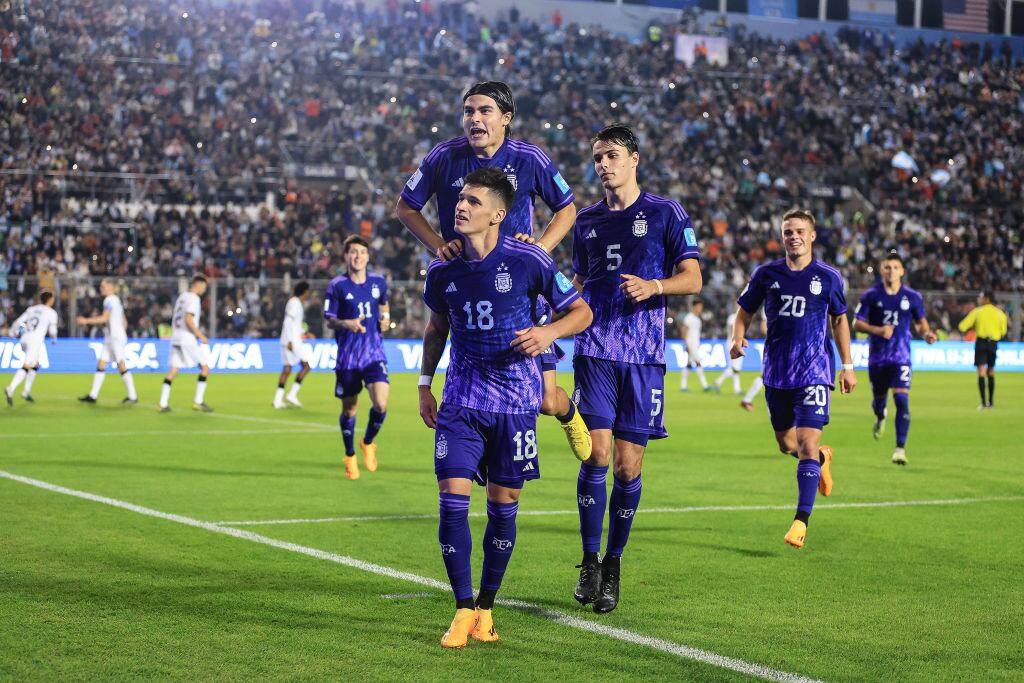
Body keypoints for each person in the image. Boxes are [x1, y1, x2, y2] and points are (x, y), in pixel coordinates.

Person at [418, 167, 592, 647]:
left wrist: (548, 333)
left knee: (503, 508)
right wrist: (424, 384)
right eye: (459, 199)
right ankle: (460, 608)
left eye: (473, 201)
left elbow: (581, 311)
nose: (460, 206)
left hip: (516, 401)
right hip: (462, 399)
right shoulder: (443, 267)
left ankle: (487, 609)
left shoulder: (528, 259)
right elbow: (436, 330)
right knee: (451, 504)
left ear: (497, 213)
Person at [396, 80, 591, 462]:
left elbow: (567, 208)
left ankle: (567, 412)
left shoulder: (530, 158)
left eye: (485, 111)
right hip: (467, 283)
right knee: (475, 396)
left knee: (546, 401)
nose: (475, 119)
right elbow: (405, 207)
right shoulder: (443, 156)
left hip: (518, 289)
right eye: (469, 111)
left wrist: (541, 247)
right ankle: (477, 455)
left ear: (506, 118)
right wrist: (438, 244)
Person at [571, 125, 702, 613]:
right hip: (597, 350)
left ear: (634, 159)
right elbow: (581, 282)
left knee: (629, 466)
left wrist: (655, 287)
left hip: (645, 356)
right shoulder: (586, 222)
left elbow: (693, 278)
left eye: (611, 155)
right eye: (597, 157)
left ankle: (614, 562)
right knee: (596, 456)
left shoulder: (666, 214)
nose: (603, 164)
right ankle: (588, 560)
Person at [731, 209, 856, 550]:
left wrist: (848, 364)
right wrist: (736, 337)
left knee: (805, 443)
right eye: (788, 232)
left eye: (800, 231)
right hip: (776, 373)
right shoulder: (766, 274)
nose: (794, 236)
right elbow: (744, 311)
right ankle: (822, 460)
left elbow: (840, 321)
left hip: (814, 372)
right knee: (788, 445)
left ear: (812, 235)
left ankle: (801, 521)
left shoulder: (828, 277)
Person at [853, 253, 937, 465]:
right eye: (887, 267)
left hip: (901, 357)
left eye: (895, 267)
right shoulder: (871, 295)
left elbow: (921, 323)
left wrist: (927, 334)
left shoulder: (912, 297)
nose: (891, 271)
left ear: (902, 271)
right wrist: (878, 330)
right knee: (879, 401)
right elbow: (857, 323)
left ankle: (900, 448)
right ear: (882, 270)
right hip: (878, 358)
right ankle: (880, 416)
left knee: (902, 400)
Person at [324, 236, 390, 480]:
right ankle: (350, 455)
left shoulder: (378, 282)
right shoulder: (337, 285)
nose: (358, 256)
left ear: (368, 256)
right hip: (348, 358)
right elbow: (329, 318)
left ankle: (368, 442)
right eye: (353, 252)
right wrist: (346, 323)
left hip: (374, 353)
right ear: (346, 256)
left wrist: (386, 319)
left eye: (362, 252)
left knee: (381, 404)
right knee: (350, 409)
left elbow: (384, 305)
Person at [77, 279, 138, 404]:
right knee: (101, 363)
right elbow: (124, 320)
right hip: (112, 336)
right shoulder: (116, 300)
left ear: (111, 287)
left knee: (121, 364)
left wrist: (85, 321)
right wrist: (121, 332)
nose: (101, 288)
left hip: (115, 337)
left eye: (103, 286)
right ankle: (93, 395)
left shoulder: (109, 300)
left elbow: (104, 318)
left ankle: (133, 396)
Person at [159, 275, 213, 413]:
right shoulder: (194, 299)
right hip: (186, 337)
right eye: (204, 287)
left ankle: (162, 403)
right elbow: (188, 318)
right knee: (205, 368)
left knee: (173, 371)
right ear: (198, 284)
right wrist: (200, 335)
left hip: (175, 336)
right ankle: (198, 402)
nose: (205, 290)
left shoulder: (182, 296)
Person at [5, 291, 58, 406]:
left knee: (35, 364)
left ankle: (26, 391)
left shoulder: (32, 309)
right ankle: (11, 388)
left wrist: (13, 332)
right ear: (49, 300)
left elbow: (19, 321)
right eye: (52, 298)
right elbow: (53, 330)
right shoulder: (51, 312)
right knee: (27, 365)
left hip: (24, 338)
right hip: (35, 341)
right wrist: (54, 339)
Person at [957, 291, 1008, 409]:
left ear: (987, 299)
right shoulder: (1000, 313)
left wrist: (974, 327)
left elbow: (962, 326)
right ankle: (991, 402)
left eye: (981, 297)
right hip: (993, 343)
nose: (980, 299)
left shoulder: (977, 312)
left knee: (981, 371)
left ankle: (983, 403)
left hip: (981, 342)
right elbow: (1003, 331)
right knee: (991, 370)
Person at [274, 281, 312, 409]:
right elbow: (288, 322)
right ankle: (292, 394)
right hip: (292, 342)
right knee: (306, 366)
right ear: (304, 291)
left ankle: (278, 400)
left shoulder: (295, 303)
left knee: (287, 369)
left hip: (290, 340)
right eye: (308, 291)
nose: (308, 294)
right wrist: (289, 340)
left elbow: (294, 325)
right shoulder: (295, 303)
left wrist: (305, 333)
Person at [679, 299, 709, 392]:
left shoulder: (697, 319)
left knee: (689, 365)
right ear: (694, 307)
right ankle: (705, 386)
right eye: (699, 306)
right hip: (690, 344)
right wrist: (686, 344)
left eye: (701, 307)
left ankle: (683, 386)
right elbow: (684, 330)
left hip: (695, 344)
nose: (700, 308)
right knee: (698, 362)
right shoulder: (689, 317)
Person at [713, 310, 743, 394]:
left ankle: (736, 389)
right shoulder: (733, 317)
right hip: (733, 343)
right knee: (735, 368)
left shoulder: (740, 317)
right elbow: (732, 330)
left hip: (737, 343)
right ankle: (720, 381)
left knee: (734, 368)